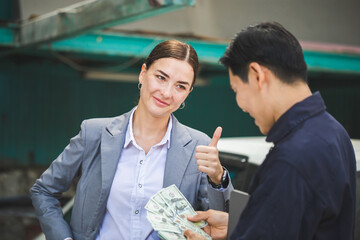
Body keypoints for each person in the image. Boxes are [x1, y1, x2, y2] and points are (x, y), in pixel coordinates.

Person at [30, 39, 233, 240]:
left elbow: (220, 224)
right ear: (143, 73)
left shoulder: (199, 145)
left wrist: (218, 178)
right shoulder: (93, 133)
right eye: (161, 77)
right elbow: (44, 191)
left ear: (188, 93)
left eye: (180, 86)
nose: (166, 92)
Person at [184, 22, 357, 240]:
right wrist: (243, 222)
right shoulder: (335, 133)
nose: (241, 105)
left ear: (257, 75)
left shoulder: (291, 159)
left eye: (236, 90)